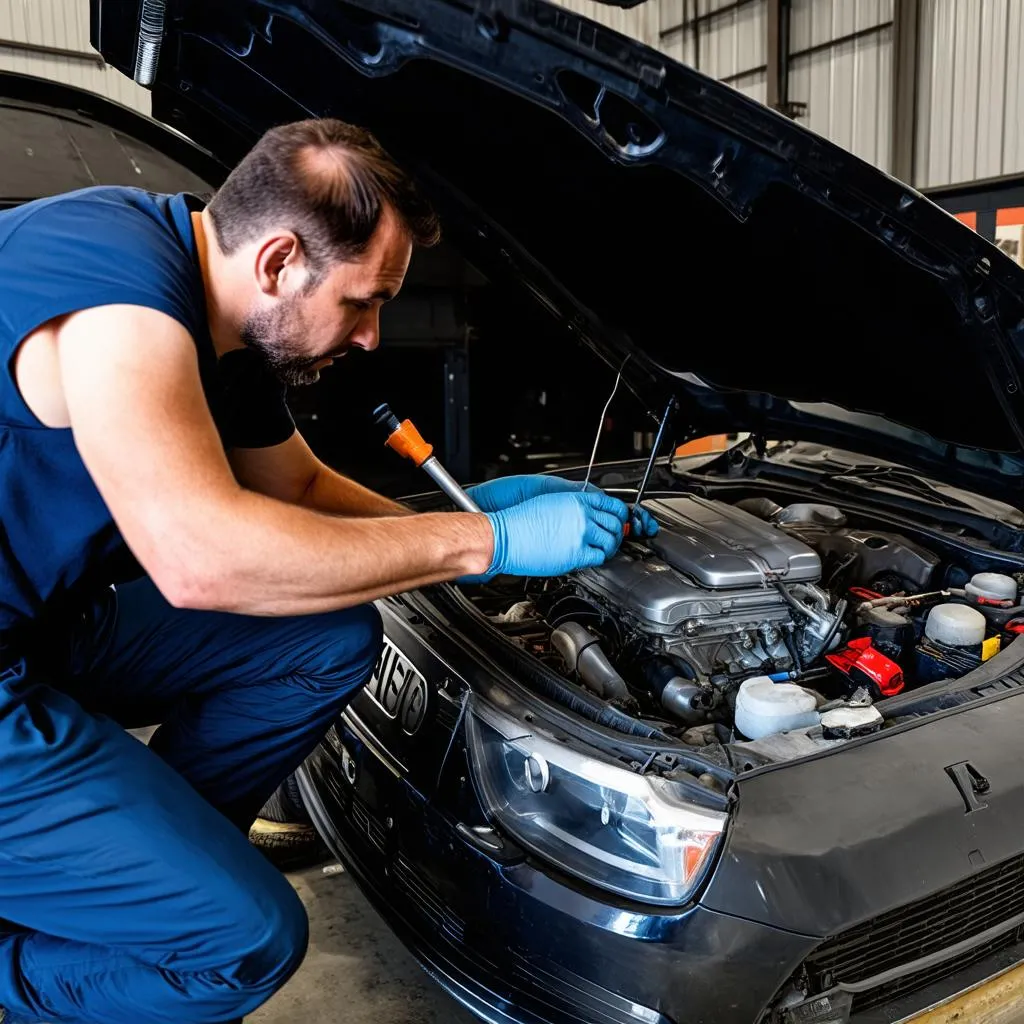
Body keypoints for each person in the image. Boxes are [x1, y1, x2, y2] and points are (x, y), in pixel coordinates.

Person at [0, 117, 657, 1024]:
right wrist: (485, 548)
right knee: (246, 943)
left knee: (326, 634)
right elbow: (199, 561)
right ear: (277, 262)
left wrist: (465, 521)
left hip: (39, 626)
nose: (372, 336)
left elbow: (299, 486)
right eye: (363, 301)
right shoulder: (118, 293)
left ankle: (155, 877)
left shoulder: (218, 316)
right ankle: (31, 980)